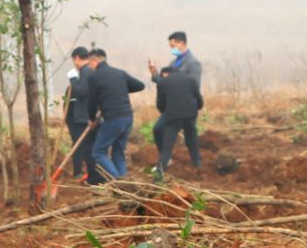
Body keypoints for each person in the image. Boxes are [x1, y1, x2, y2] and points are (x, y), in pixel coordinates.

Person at [83, 48, 145, 183]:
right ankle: (126, 182)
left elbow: (91, 101)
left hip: (113, 118)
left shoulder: (94, 77)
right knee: (118, 152)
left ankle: (119, 181)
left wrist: (92, 119)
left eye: (89, 63)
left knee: (98, 152)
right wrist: (119, 87)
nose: (89, 66)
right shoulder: (119, 73)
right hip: (127, 117)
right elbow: (140, 85)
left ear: (94, 61)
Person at [151, 61, 202, 177]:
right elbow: (199, 102)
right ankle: (198, 165)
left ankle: (158, 177)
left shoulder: (163, 83)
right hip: (190, 114)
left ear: (166, 74)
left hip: (173, 117)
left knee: (166, 149)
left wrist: (168, 112)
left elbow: (160, 106)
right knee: (192, 139)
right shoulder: (190, 80)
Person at [62, 47, 95, 182]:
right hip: (83, 116)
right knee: (85, 145)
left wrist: (73, 79)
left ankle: (79, 173)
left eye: (73, 60)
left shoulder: (86, 71)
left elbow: (82, 92)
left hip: (82, 117)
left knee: (79, 144)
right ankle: (89, 172)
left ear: (76, 58)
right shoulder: (87, 71)